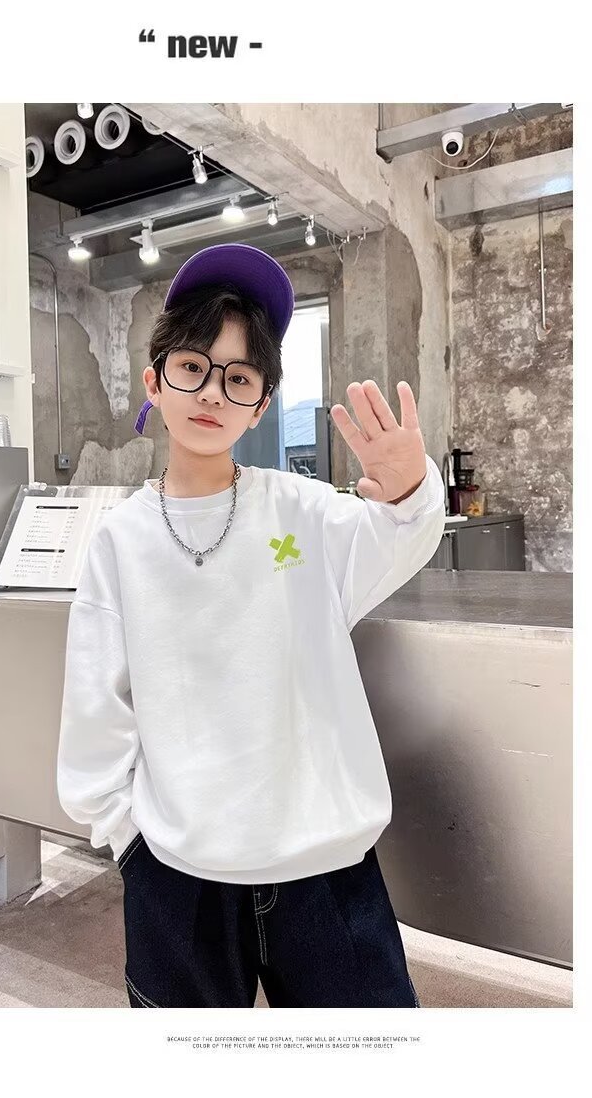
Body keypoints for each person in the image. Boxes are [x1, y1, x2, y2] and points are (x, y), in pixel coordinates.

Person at [57, 242, 446, 1008]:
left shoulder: (300, 512)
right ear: (154, 381)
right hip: (179, 874)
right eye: (192, 367)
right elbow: (97, 708)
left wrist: (410, 489)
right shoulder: (120, 541)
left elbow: (397, 539)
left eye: (238, 378)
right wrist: (128, 838)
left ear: (262, 403)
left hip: (325, 866)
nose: (212, 391)